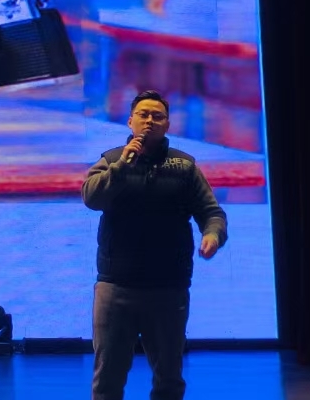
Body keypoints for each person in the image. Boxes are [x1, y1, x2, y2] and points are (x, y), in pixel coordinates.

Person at [82, 90, 228, 400]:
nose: (150, 121)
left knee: (169, 380)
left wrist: (213, 235)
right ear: (130, 121)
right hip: (116, 287)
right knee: (107, 379)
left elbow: (212, 213)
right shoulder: (111, 160)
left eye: (157, 116)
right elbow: (92, 198)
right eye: (143, 115)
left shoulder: (184, 166)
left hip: (168, 289)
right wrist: (122, 166)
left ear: (167, 125)